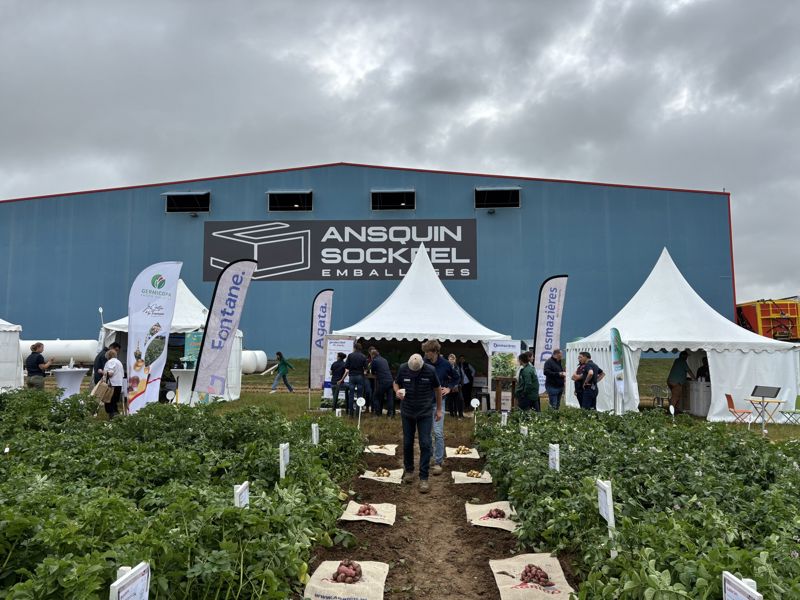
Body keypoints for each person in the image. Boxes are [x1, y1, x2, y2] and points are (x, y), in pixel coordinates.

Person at [394, 353, 442, 493]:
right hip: (407, 412)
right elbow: (396, 383)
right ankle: (409, 471)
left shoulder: (430, 371)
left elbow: (438, 389)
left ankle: (424, 478)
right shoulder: (403, 368)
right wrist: (397, 392)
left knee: (425, 443)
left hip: (425, 412)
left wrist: (439, 409)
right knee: (408, 442)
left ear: (421, 366)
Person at [422, 339, 459, 476]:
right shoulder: (423, 363)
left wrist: (449, 388)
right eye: (425, 352)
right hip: (425, 401)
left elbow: (456, 377)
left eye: (428, 352)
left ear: (435, 352)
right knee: (427, 432)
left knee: (437, 432)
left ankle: (438, 461)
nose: (426, 354)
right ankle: (431, 457)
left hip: (439, 402)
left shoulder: (445, 364)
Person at [339, 342, 368, 416]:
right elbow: (366, 368)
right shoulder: (363, 356)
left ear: (354, 348)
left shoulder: (350, 355)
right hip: (360, 376)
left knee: (351, 395)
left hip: (352, 376)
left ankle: (350, 413)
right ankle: (358, 413)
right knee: (360, 395)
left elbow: (346, 366)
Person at [369, 348, 394, 417]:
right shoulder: (384, 359)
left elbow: (373, 372)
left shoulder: (374, 360)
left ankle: (377, 414)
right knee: (390, 398)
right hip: (390, 380)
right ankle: (390, 414)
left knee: (376, 397)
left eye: (371, 355)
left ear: (373, 355)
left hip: (382, 381)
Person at [103, 348, 124, 419]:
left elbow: (111, 373)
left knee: (109, 402)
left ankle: (112, 418)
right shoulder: (119, 362)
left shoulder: (111, 362)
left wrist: (102, 372)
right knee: (114, 402)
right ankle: (117, 417)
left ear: (109, 355)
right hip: (119, 384)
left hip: (112, 385)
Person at [447, 354, 465, 418]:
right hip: (449, 387)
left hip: (458, 386)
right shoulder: (446, 368)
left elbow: (462, 377)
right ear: (448, 360)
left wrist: (460, 385)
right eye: (450, 359)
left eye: (453, 359)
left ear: (455, 360)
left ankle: (460, 415)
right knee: (450, 401)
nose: (451, 360)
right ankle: (452, 415)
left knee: (460, 400)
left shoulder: (458, 368)